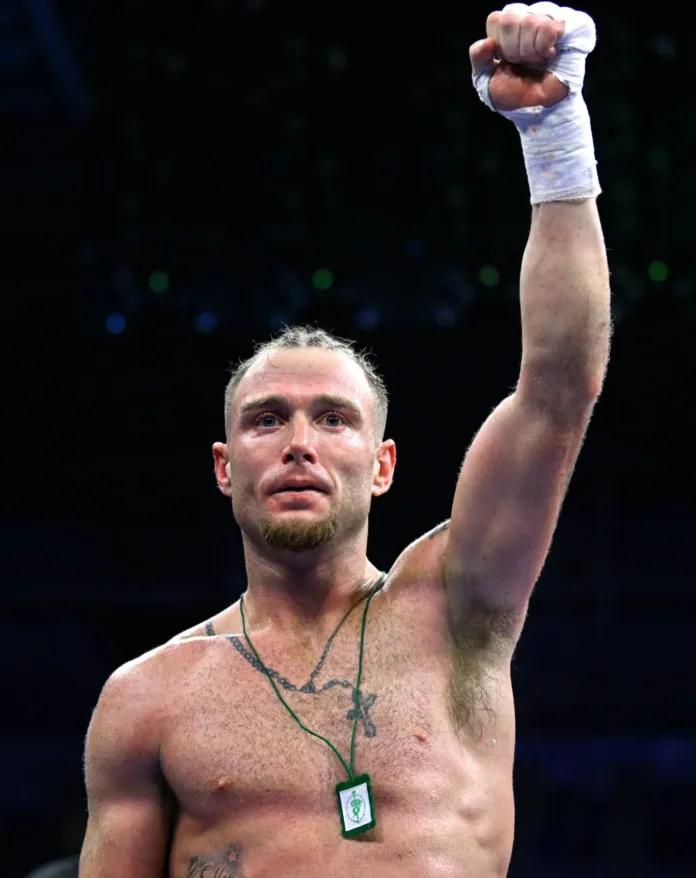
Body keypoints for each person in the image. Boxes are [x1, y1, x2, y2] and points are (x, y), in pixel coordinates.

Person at [79, 4, 611, 876]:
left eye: (333, 419)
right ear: (223, 467)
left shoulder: (460, 609)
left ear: (383, 463)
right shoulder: (149, 701)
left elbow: (557, 390)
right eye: (266, 420)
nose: (298, 443)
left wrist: (554, 129)